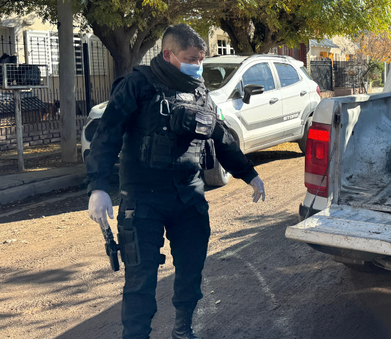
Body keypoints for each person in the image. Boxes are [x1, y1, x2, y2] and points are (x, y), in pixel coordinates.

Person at [86, 24, 266, 339]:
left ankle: (183, 330)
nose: (197, 64)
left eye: (201, 58)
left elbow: (222, 138)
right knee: (141, 281)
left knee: (190, 273)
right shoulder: (138, 85)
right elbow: (107, 134)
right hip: (144, 199)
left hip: (189, 198)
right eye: (191, 57)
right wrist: (99, 187)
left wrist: (248, 173)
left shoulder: (200, 94)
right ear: (169, 54)